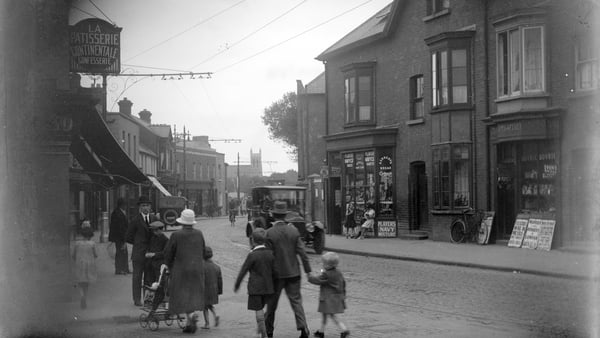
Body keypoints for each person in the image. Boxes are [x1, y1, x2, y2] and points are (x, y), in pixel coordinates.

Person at [265, 201, 311, 338]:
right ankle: (304, 328)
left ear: (273, 215)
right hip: (293, 273)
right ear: (285, 215)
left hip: (276, 275)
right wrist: (308, 271)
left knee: (271, 304)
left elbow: (268, 256)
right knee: (296, 301)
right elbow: (303, 253)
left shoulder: (269, 233)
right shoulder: (294, 231)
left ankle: (269, 331)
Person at [164, 209, 208, 334]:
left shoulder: (176, 235)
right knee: (193, 294)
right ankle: (189, 324)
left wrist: (168, 265)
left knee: (182, 295)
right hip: (197, 269)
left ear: (182, 222)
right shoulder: (199, 233)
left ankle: (191, 316)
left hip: (181, 270)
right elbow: (203, 251)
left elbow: (169, 253)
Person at [234, 228, 275, 338]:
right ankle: (262, 328)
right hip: (268, 287)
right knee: (265, 308)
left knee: (258, 309)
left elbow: (244, 270)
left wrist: (237, 284)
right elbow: (275, 271)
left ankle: (263, 333)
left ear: (253, 241)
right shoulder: (271, 253)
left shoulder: (252, 255)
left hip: (255, 287)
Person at [307, 252, 350, 338]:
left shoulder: (327, 274)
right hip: (336, 297)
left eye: (324, 263)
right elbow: (343, 283)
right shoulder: (338, 272)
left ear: (329, 265)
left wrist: (309, 276)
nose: (323, 265)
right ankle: (321, 331)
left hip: (327, 299)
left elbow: (318, 280)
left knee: (332, 315)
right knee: (325, 315)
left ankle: (344, 330)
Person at [125, 195, 157, 306]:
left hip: (150, 254)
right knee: (137, 277)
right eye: (143, 206)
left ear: (150, 207)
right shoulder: (135, 220)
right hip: (138, 254)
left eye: (147, 205)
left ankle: (148, 299)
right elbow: (128, 236)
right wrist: (138, 243)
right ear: (139, 207)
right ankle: (137, 299)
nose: (145, 208)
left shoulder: (154, 219)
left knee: (149, 277)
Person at [72, 226, 97, 309]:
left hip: (79, 264)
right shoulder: (92, 244)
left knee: (80, 282)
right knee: (86, 283)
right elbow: (95, 255)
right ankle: (85, 297)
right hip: (89, 265)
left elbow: (73, 255)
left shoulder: (77, 243)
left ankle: (81, 295)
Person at [144, 221, 169, 288]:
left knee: (159, 284)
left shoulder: (165, 240)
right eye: (153, 230)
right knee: (149, 284)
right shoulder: (152, 238)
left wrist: (154, 254)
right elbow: (148, 248)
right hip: (150, 265)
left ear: (161, 230)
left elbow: (165, 253)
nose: (154, 232)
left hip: (159, 265)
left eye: (156, 230)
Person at [202, 247, 222, 329]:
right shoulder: (217, 267)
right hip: (214, 289)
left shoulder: (201, 266)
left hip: (204, 289)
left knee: (204, 306)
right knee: (209, 304)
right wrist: (219, 291)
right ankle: (215, 314)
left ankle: (207, 324)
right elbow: (220, 281)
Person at [109, 198, 129, 275]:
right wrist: (124, 238)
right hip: (119, 237)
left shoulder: (119, 212)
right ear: (122, 205)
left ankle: (124, 268)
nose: (126, 206)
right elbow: (120, 228)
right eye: (125, 205)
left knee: (123, 252)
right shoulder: (117, 213)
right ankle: (119, 269)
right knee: (120, 253)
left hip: (120, 236)